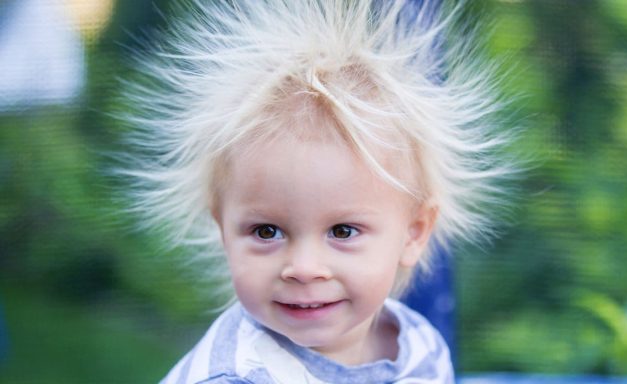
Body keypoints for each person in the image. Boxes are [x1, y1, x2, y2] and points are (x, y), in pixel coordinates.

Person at [122, 0, 512, 382]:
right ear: (223, 228)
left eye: (342, 231)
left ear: (414, 232)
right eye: (266, 231)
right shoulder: (239, 375)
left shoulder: (420, 349)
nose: (304, 268)